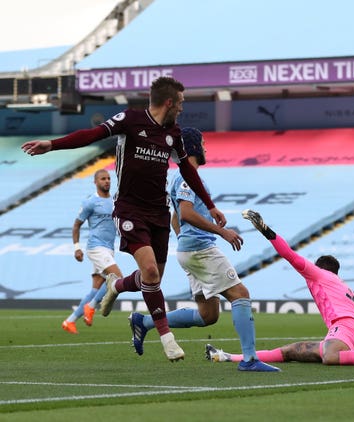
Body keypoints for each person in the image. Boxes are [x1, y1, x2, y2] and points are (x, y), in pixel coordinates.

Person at [21, 76, 226, 362]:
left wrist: (211, 205)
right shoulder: (130, 120)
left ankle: (116, 285)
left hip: (158, 213)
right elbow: (92, 135)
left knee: (149, 278)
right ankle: (167, 339)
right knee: (152, 275)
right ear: (169, 102)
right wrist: (52, 144)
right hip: (130, 210)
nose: (181, 108)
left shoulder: (174, 134)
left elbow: (189, 172)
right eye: (180, 103)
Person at [128, 127, 279, 372]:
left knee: (208, 315)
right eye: (203, 143)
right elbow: (185, 213)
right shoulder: (187, 177)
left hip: (188, 251)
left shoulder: (181, 177)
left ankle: (143, 322)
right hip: (201, 250)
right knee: (240, 294)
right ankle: (250, 360)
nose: (206, 147)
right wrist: (222, 232)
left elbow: (175, 218)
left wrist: (185, 241)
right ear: (193, 147)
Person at [205, 209, 354, 367]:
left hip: (344, 328)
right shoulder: (341, 284)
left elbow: (289, 255)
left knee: (330, 357)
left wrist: (265, 230)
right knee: (288, 352)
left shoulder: (319, 274)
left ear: (320, 269)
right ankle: (226, 356)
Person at [62, 169, 124, 334]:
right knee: (117, 278)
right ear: (95, 182)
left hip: (109, 249)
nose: (107, 181)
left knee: (96, 288)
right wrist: (77, 248)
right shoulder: (90, 202)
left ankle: (70, 321)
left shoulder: (114, 201)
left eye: (108, 178)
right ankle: (91, 307)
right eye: (103, 179)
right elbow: (76, 225)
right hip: (96, 248)